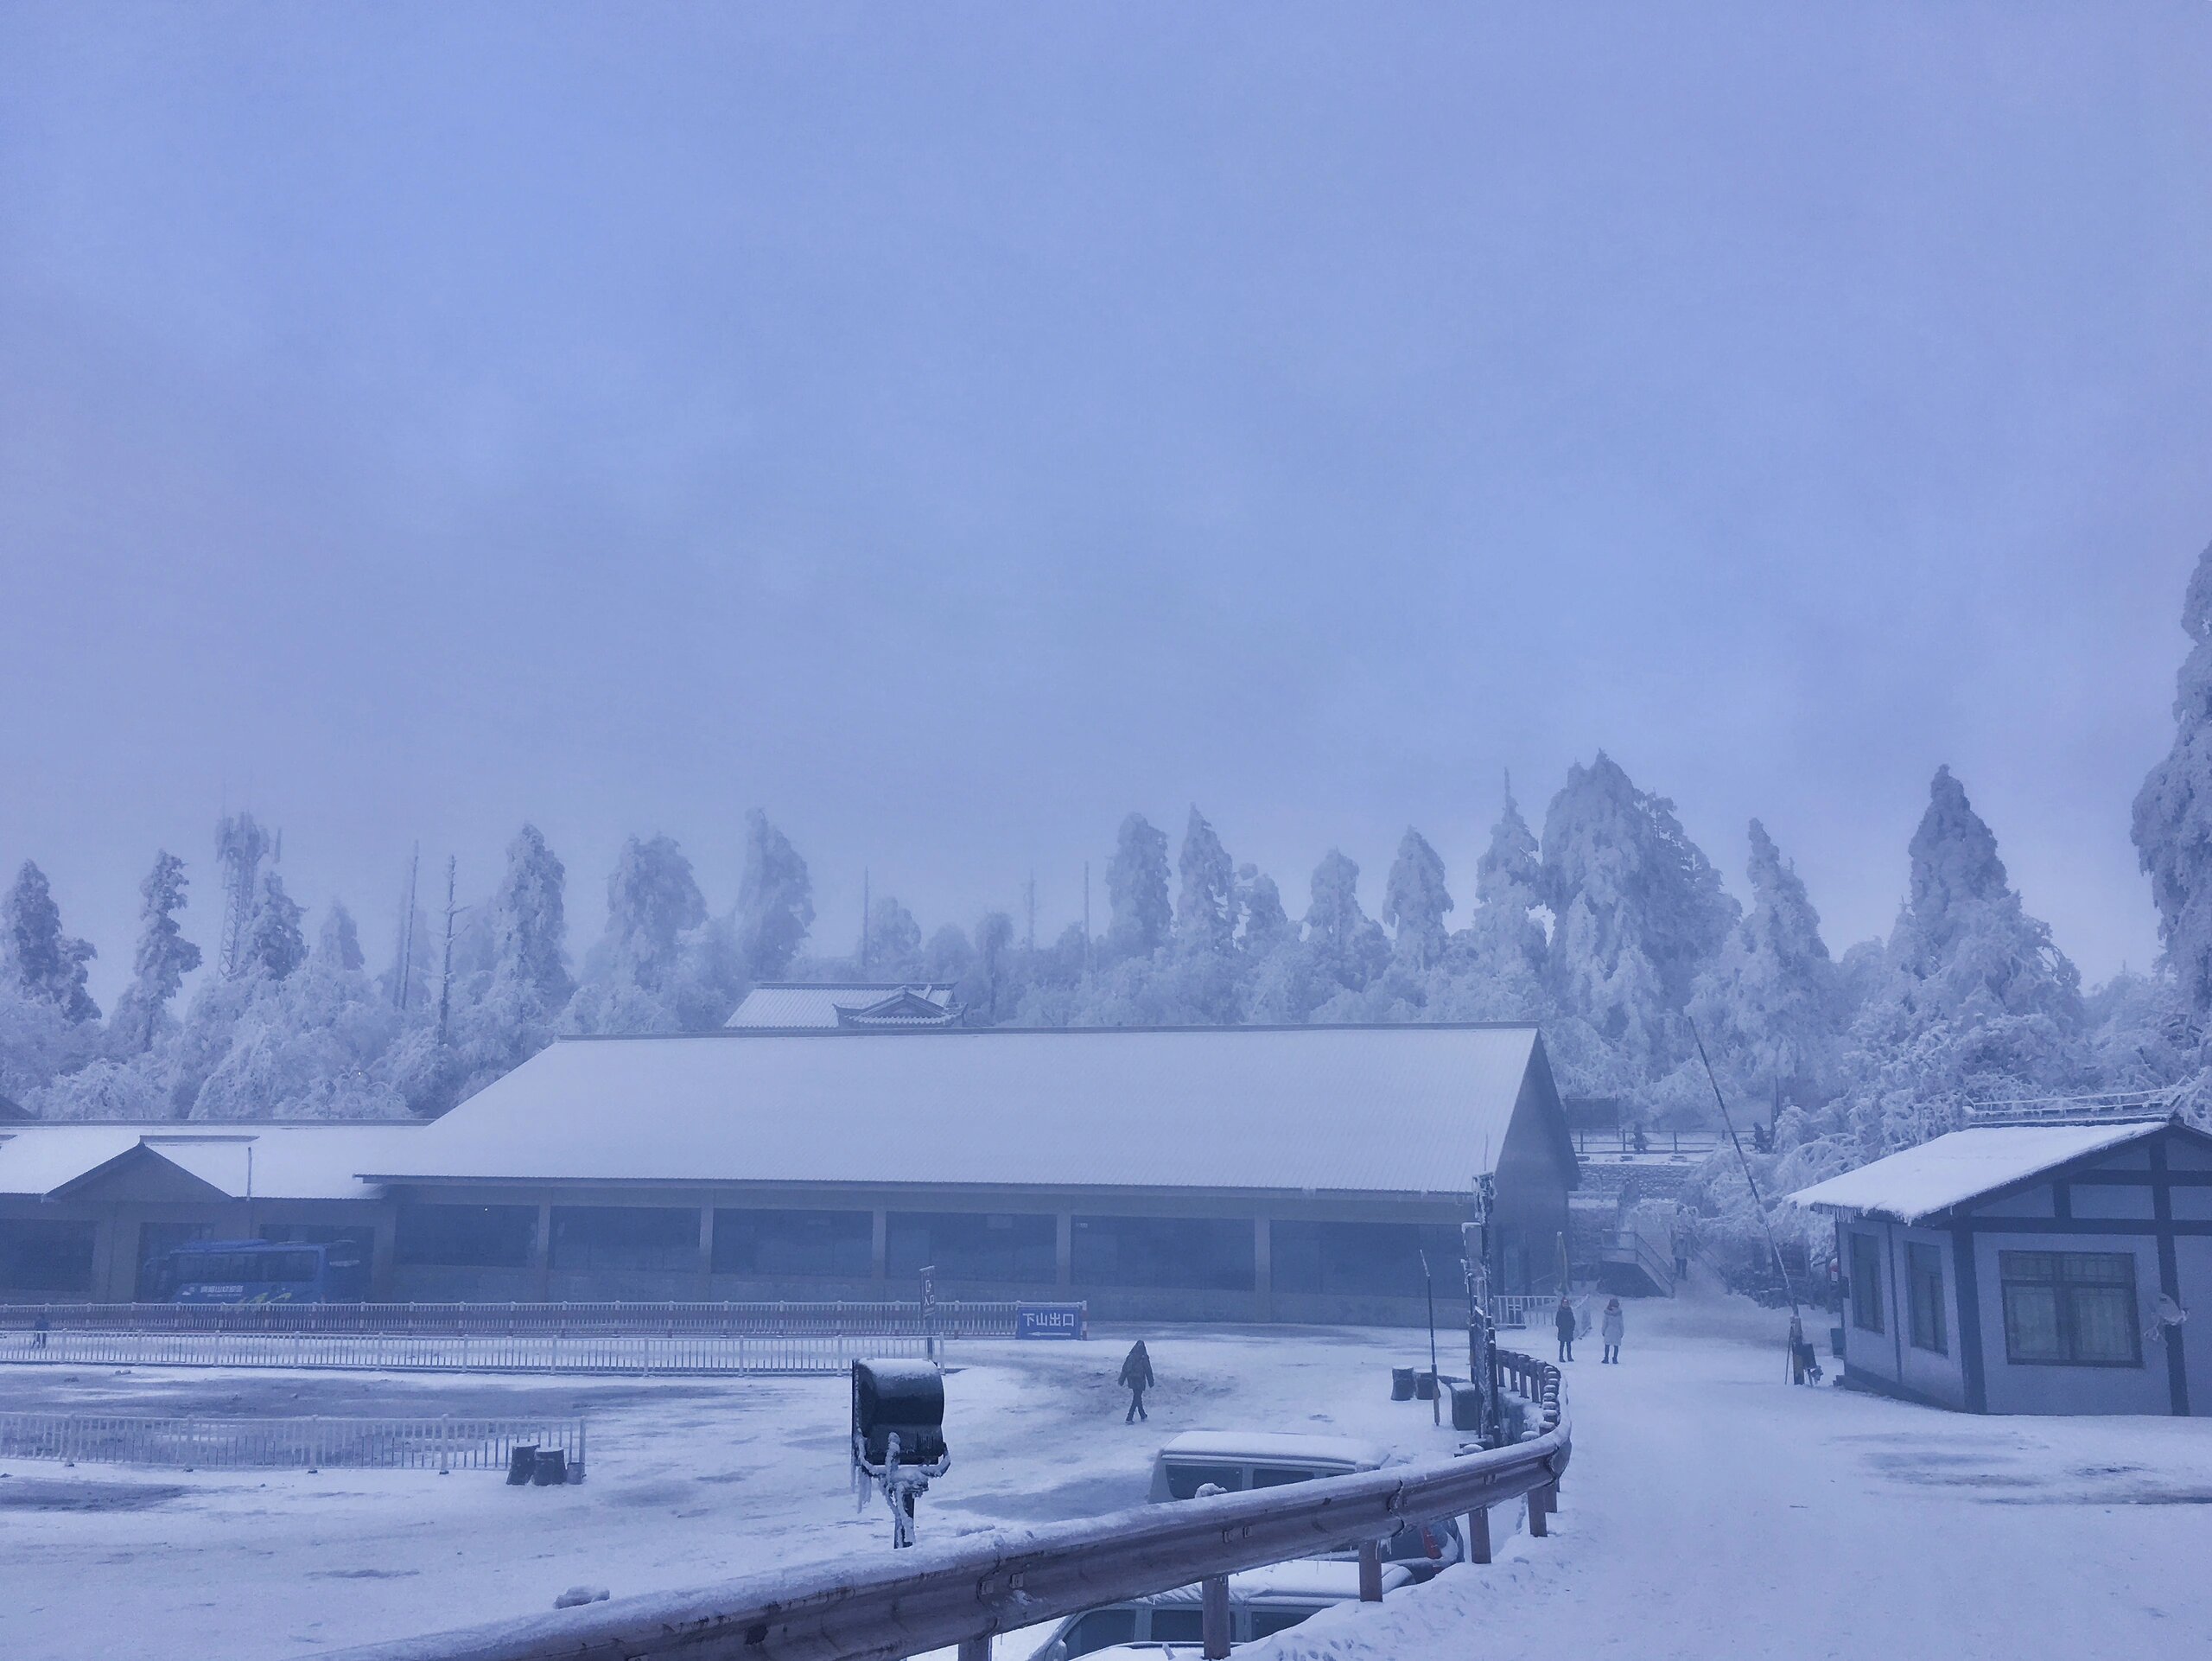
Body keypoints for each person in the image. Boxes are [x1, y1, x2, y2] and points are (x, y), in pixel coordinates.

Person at [1119, 1339, 1155, 1423]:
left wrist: (1122, 1380)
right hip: (1140, 1379)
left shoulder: (1130, 1356)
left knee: (1137, 1396)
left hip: (1131, 1379)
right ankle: (1129, 1417)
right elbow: (1148, 1370)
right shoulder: (1144, 1358)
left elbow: (1125, 1369)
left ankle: (1142, 1415)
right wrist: (1151, 1381)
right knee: (1137, 1397)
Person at [1601, 1297, 1624, 1364]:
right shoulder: (1619, 1313)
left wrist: (1603, 1331)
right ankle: (1615, 1359)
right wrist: (1622, 1332)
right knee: (1616, 1346)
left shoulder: (1607, 1313)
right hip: (1617, 1331)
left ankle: (1606, 1358)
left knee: (1607, 1345)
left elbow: (1605, 1323)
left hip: (1608, 1330)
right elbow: (1621, 1323)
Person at [1554, 1295, 1576, 1363]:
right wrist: (1560, 1327)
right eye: (1564, 1304)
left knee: (1569, 1344)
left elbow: (1572, 1320)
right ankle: (1561, 1357)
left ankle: (1569, 1356)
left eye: (1566, 1304)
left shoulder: (1570, 1311)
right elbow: (1557, 1321)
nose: (1565, 1305)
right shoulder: (1560, 1312)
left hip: (1569, 1330)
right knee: (1562, 1344)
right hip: (1562, 1330)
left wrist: (1572, 1327)